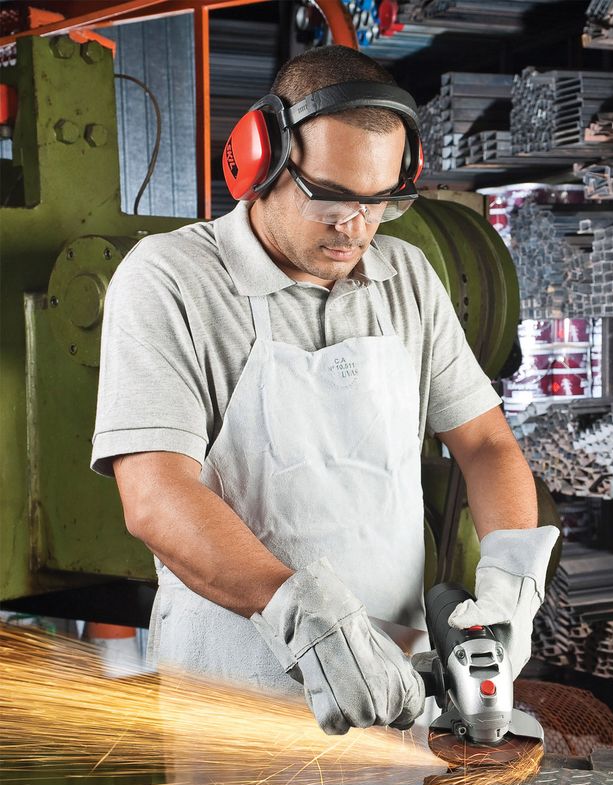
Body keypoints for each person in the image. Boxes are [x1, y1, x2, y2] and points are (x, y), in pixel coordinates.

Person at [91, 44, 559, 736]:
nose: (355, 228)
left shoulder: (407, 276)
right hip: (235, 705)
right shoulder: (169, 280)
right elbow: (156, 495)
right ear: (260, 160)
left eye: (378, 202)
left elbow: (486, 443)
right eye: (330, 197)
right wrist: (303, 616)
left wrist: (511, 582)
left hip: (398, 693)